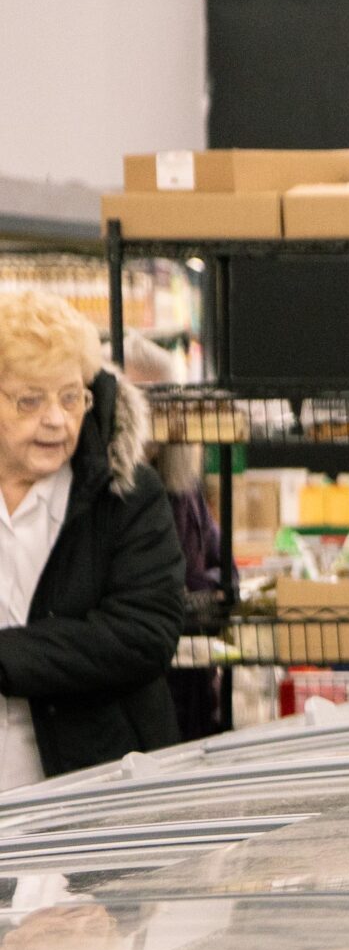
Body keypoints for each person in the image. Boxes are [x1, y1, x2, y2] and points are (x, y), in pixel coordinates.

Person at [0, 291, 184, 789]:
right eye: (30, 400)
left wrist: (8, 657)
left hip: (97, 788)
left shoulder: (125, 495)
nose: (57, 420)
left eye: (70, 396)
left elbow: (144, 632)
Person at [121, 332, 225, 741]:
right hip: (142, 689)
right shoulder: (106, 494)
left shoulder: (183, 489)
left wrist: (206, 589)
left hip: (191, 684)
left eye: (163, 402)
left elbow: (222, 566)